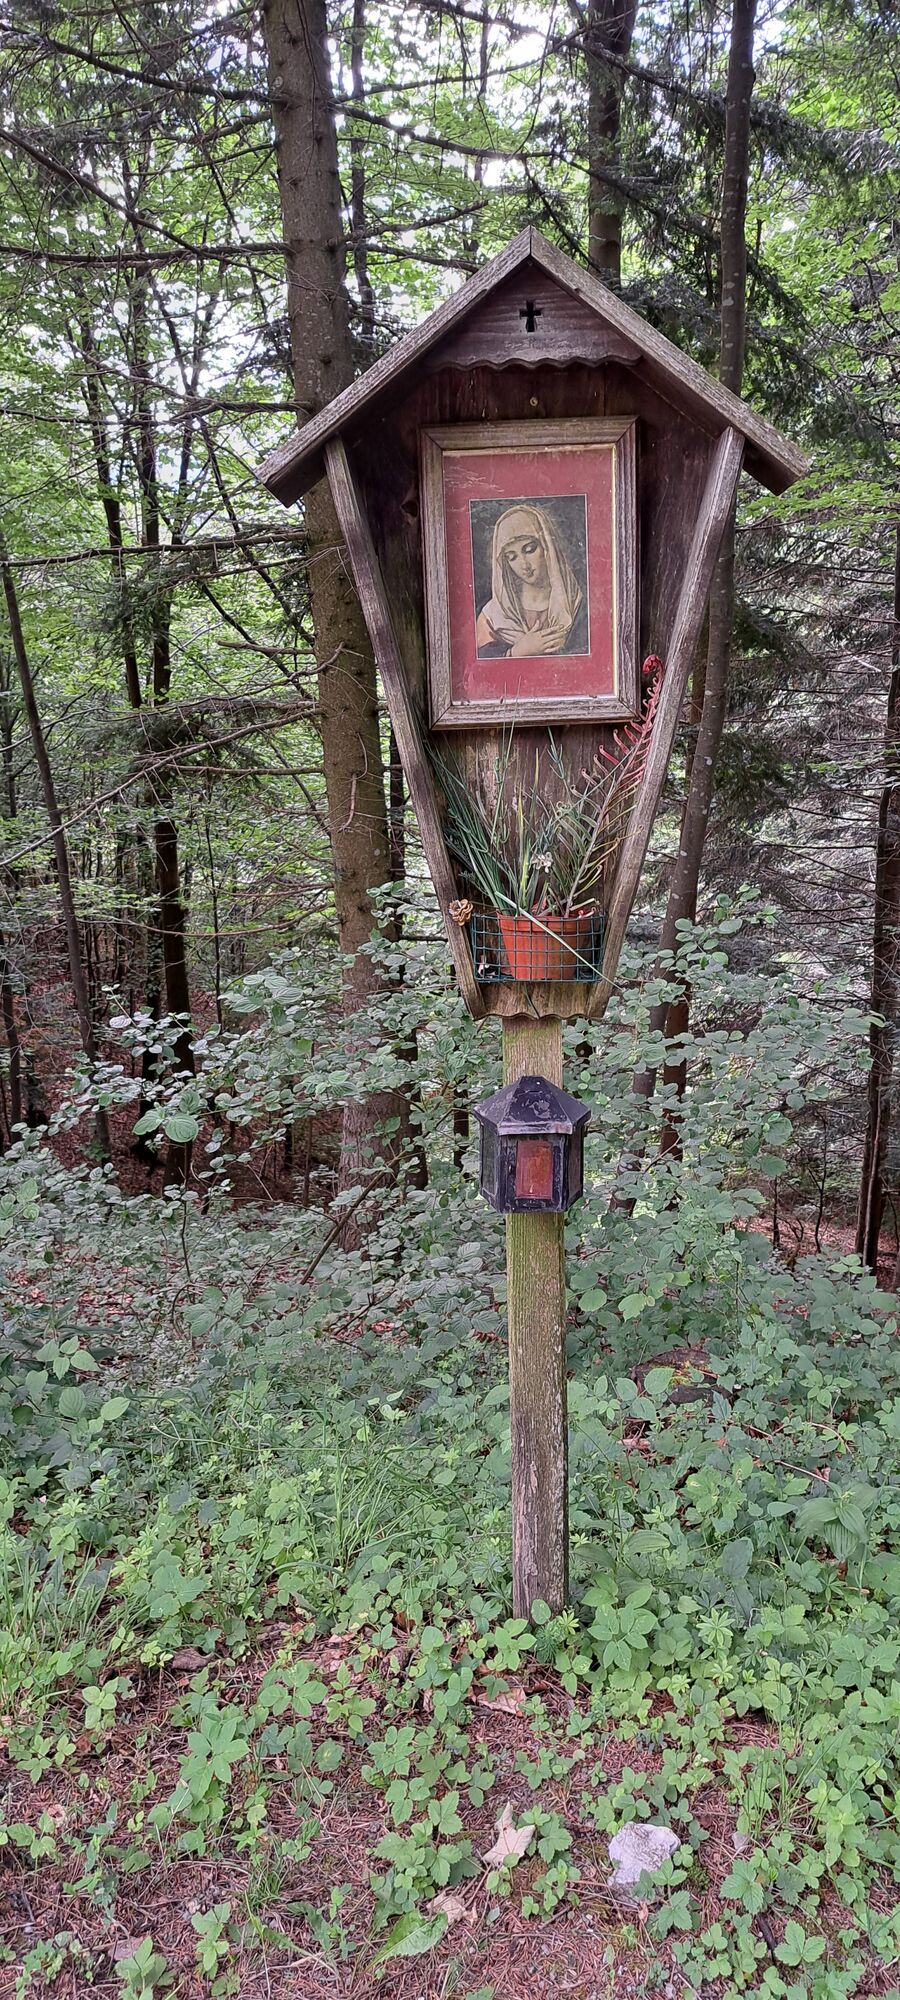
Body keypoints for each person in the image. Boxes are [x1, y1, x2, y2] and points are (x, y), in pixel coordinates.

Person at [474, 503, 587, 659]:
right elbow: (477, 667)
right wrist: (515, 652)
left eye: (529, 550)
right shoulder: (492, 616)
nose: (524, 565)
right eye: (512, 557)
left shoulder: (577, 605)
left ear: (547, 547)